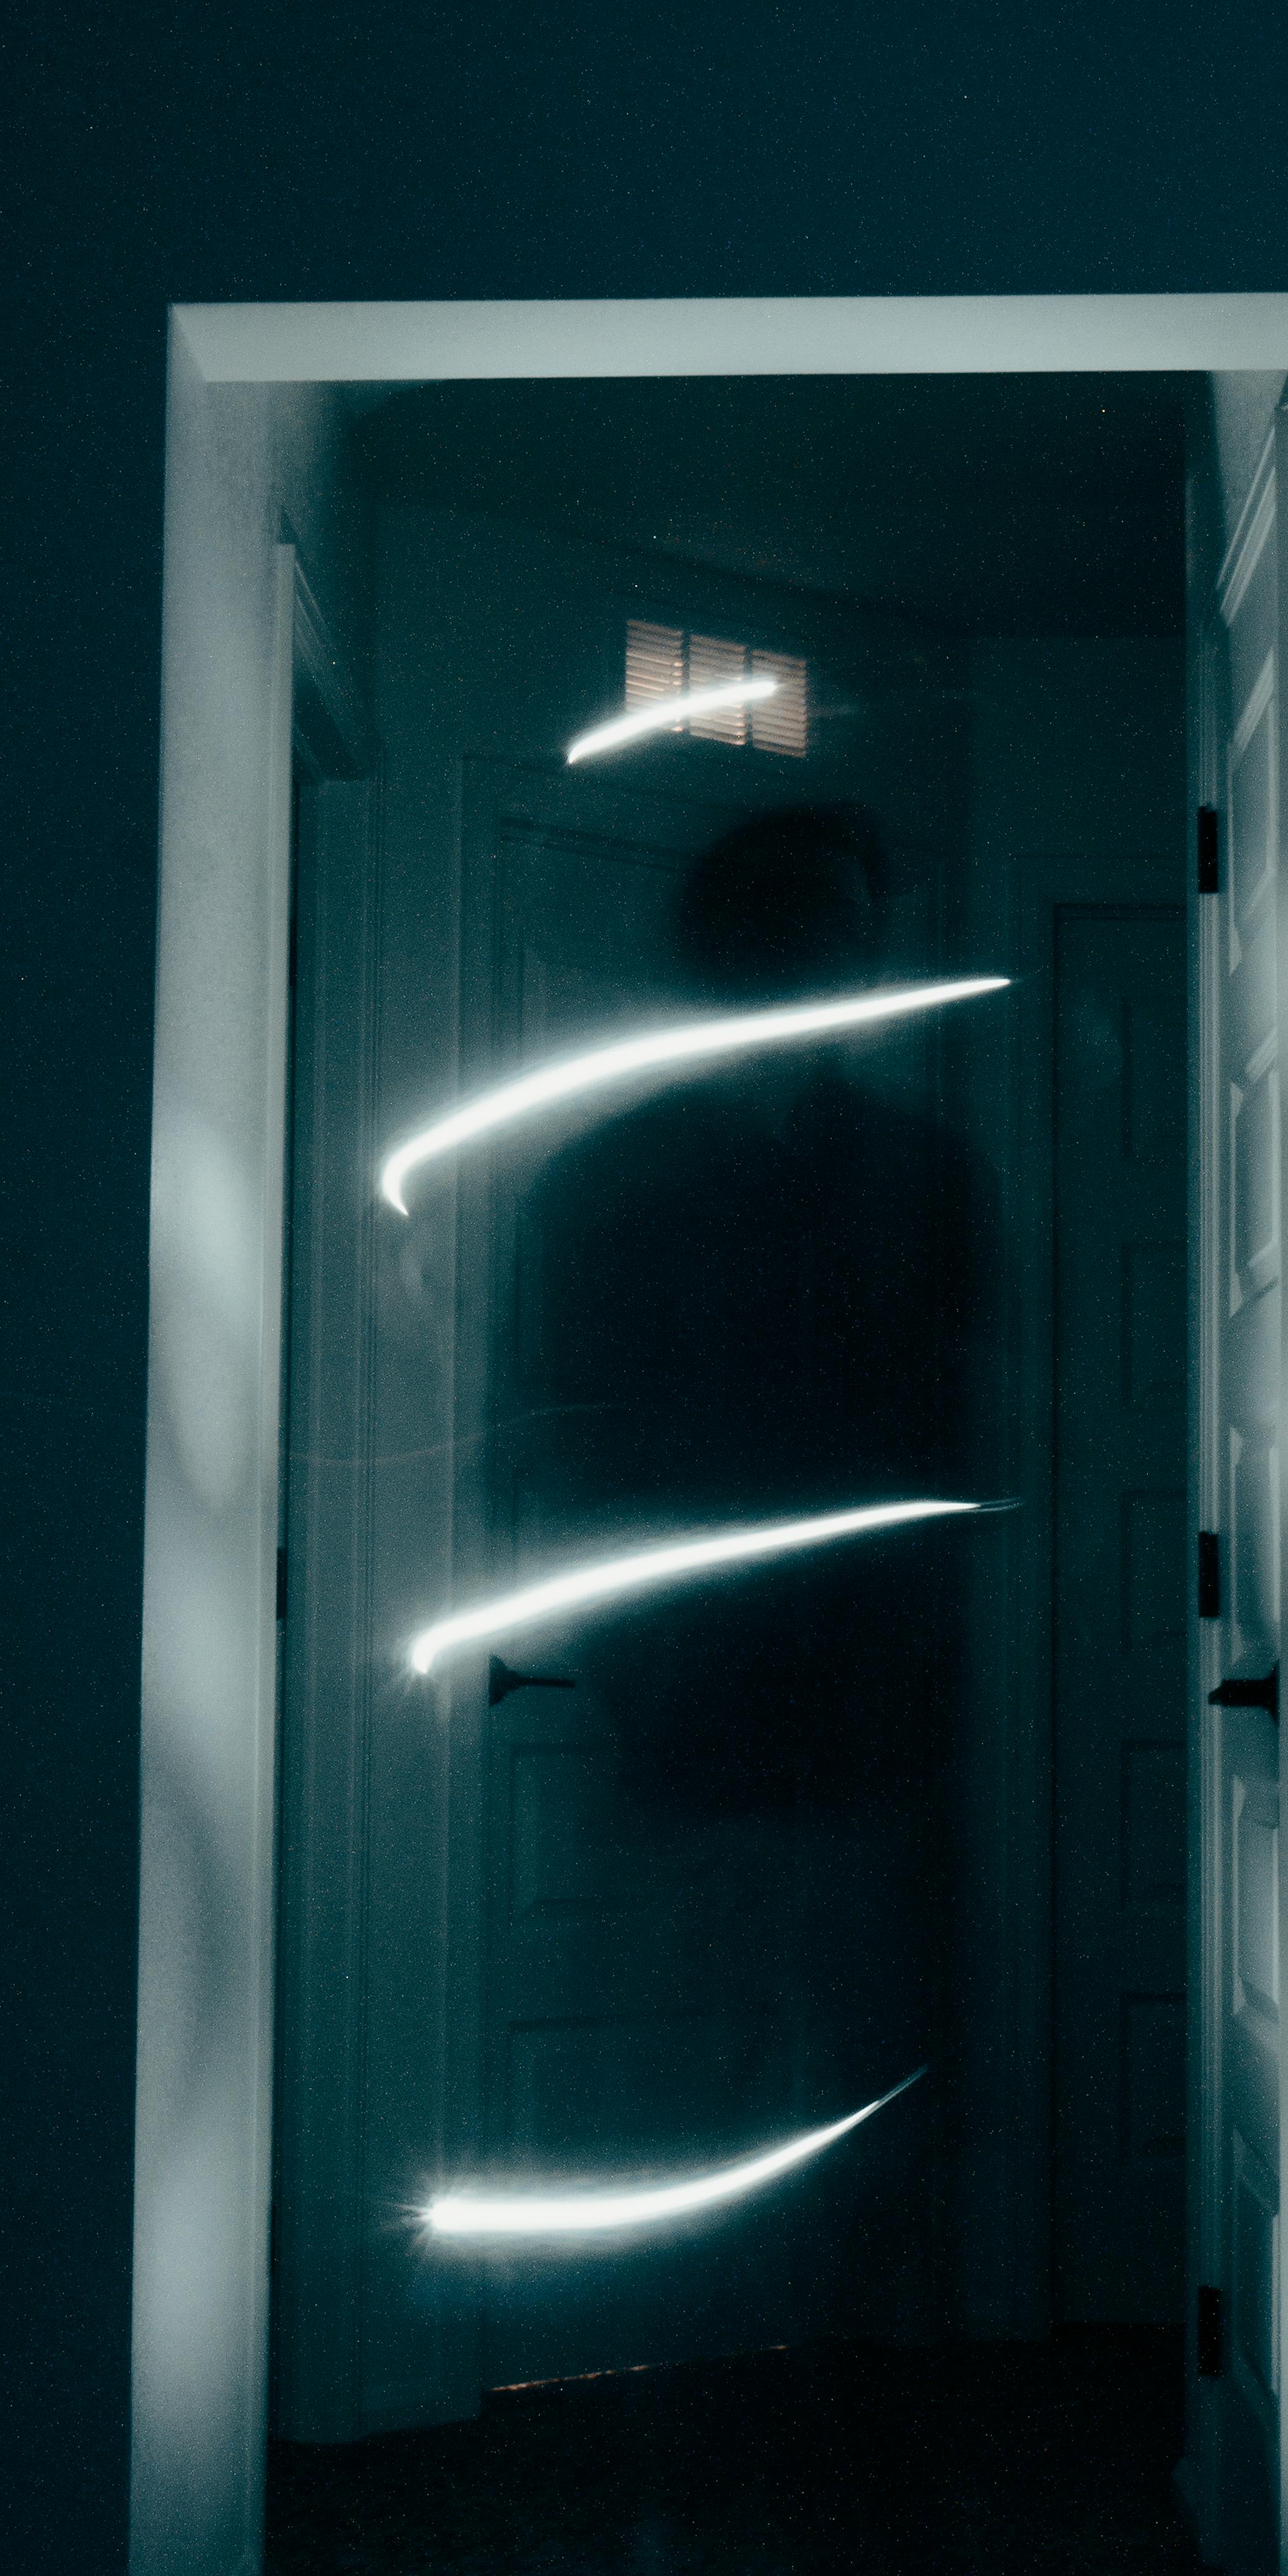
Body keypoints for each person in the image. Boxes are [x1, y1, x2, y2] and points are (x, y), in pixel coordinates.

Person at [514, 802, 1001, 2341]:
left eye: (839, 929)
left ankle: (840, 2457)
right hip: (692, 1741)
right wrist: (629, 1669)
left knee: (866, 2108)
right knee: (693, 2107)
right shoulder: (612, 1183)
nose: (823, 955)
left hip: (868, 1734)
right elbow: (545, 1450)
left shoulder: (923, 1175)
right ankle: (706, 2451)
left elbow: (969, 1454)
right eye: (796, 924)